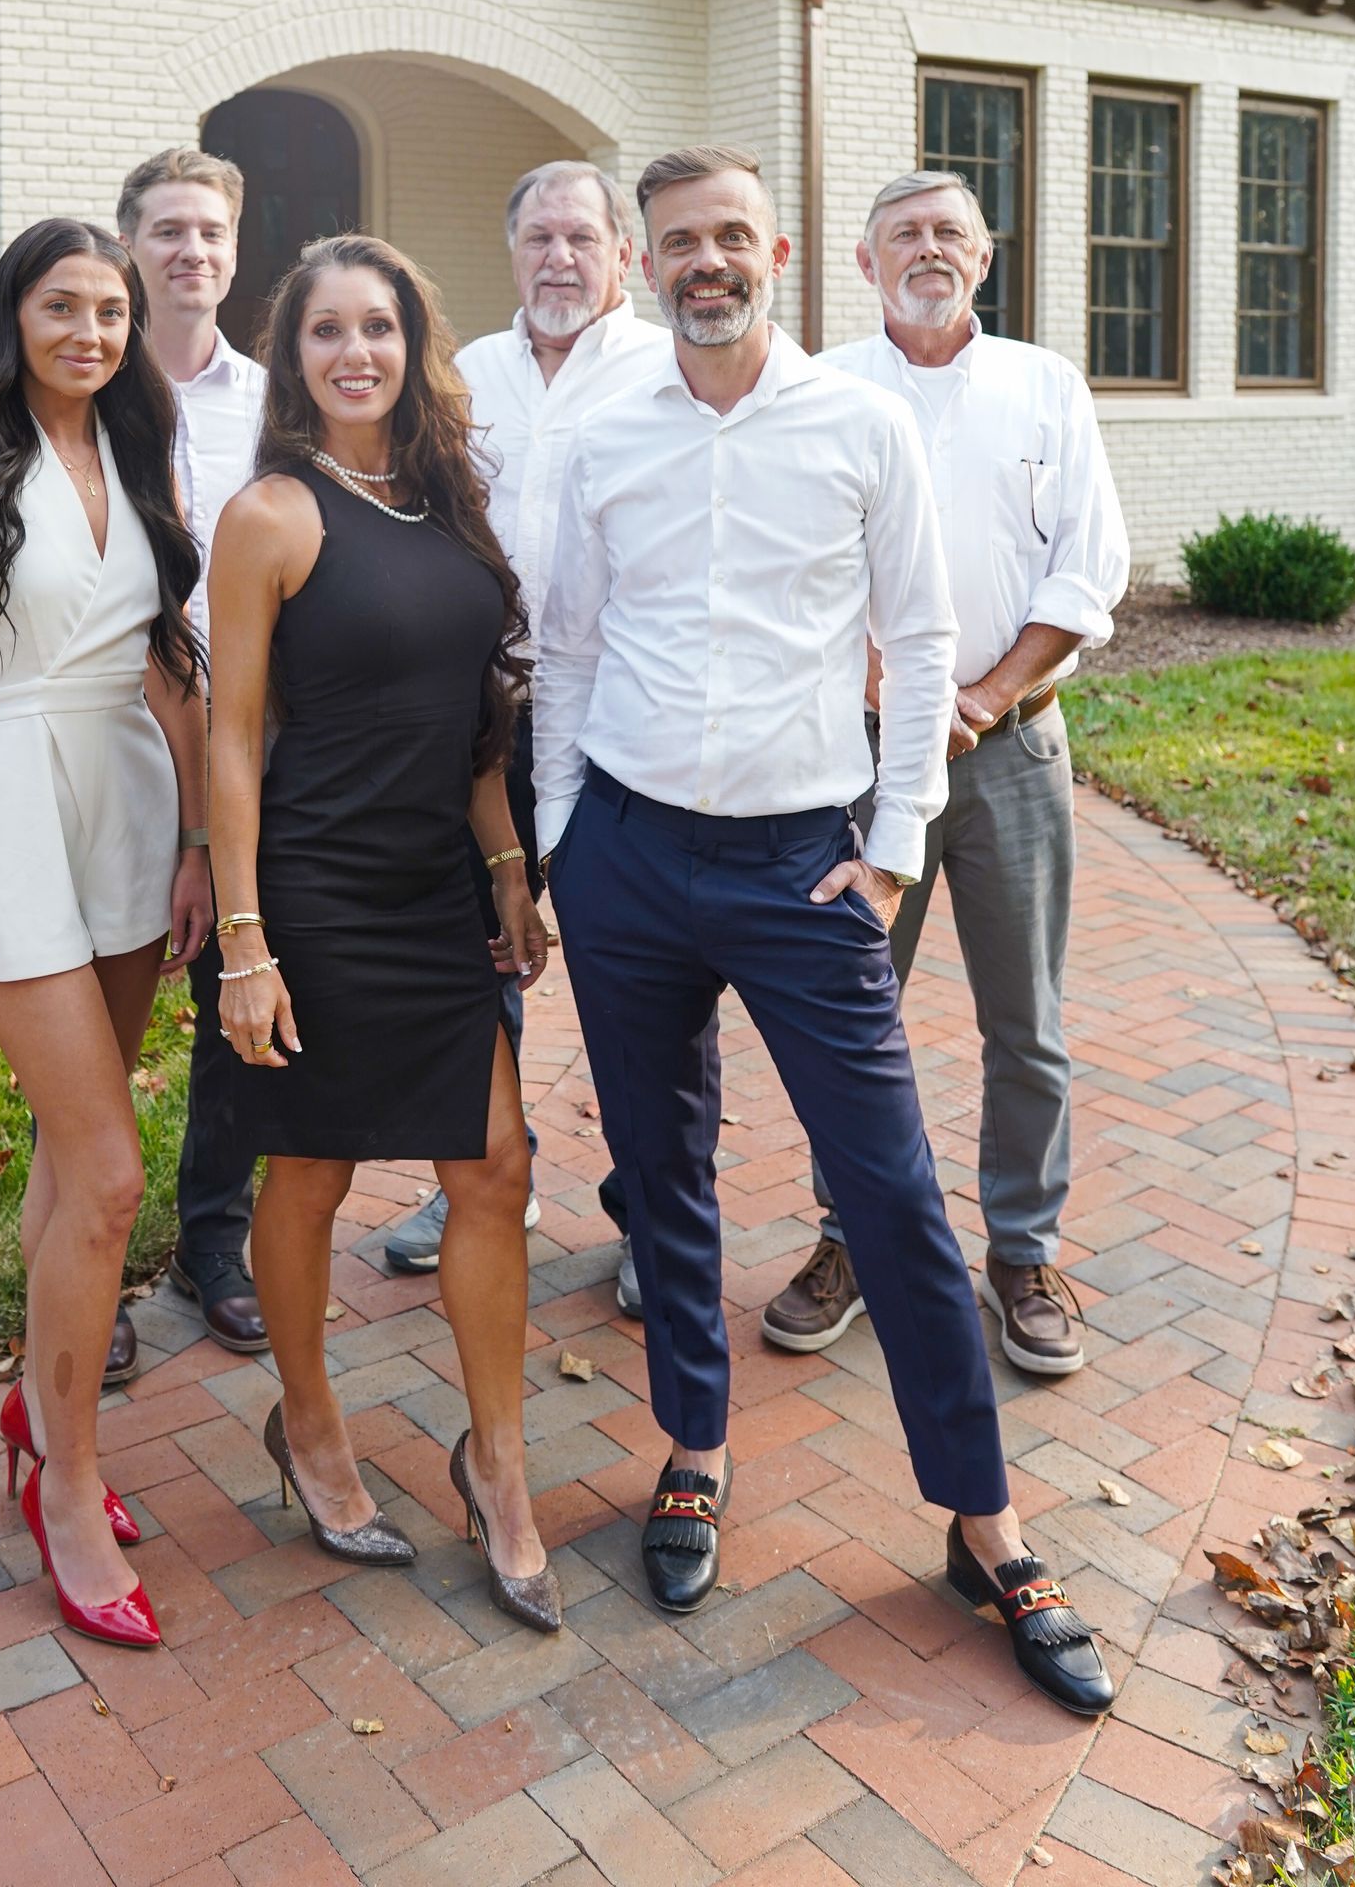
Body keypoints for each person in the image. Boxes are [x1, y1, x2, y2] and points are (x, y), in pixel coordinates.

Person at [536, 148, 1112, 1714]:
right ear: (647, 264)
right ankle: (697, 1451)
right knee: (665, 1175)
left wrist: (888, 850)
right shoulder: (605, 436)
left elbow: (922, 643)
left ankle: (983, 1523)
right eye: (679, 243)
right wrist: (560, 840)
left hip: (806, 865)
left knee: (892, 1191)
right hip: (633, 864)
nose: (705, 262)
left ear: (779, 252)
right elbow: (572, 647)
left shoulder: (856, 424)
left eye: (731, 236)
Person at [206, 235, 560, 1631]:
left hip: (432, 889)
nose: (356, 351)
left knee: (496, 1167)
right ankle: (306, 1424)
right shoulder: (273, 516)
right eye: (325, 333)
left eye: (380, 327)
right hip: (311, 890)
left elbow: (473, 722)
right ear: (292, 361)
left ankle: (499, 1460)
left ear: (415, 344)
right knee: (309, 1175)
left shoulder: (444, 498)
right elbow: (233, 739)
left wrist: (509, 871)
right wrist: (244, 940)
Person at [0, 218, 211, 1651]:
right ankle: (65, 1478)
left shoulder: (138, 456)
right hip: (11, 799)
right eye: (62, 305)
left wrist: (200, 845)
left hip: (129, 803)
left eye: (112, 309)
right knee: (116, 1175)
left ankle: (34, 1393)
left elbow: (166, 665)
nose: (90, 330)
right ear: (14, 315)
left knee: (74, 1157)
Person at [764, 170, 1129, 1376]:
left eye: (950, 235)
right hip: (858, 762)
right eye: (904, 235)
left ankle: (1022, 1252)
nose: (928, 251)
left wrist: (974, 698)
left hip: (1013, 749)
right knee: (849, 1013)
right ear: (865, 264)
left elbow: (1087, 573)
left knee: (1025, 1018)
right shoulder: (819, 391)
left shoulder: (1046, 388)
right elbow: (804, 573)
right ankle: (849, 1239)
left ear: (985, 257)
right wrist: (899, 693)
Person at [373, 162, 668, 1295]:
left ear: (621, 257)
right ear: (510, 252)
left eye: (580, 239)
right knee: (470, 961)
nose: (558, 259)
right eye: (538, 238)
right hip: (474, 720)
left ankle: (651, 1216)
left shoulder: (664, 372)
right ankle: (486, 1177)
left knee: (631, 978)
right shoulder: (461, 379)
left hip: (613, 719)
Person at [117, 145, 270, 1358]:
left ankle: (211, 1240)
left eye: (211, 232)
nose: (191, 252)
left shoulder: (276, 404)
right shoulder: (82, 391)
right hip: (103, 746)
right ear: (132, 245)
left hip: (239, 740)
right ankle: (79, 1267)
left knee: (232, 1004)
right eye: (169, 230)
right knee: (92, 1016)